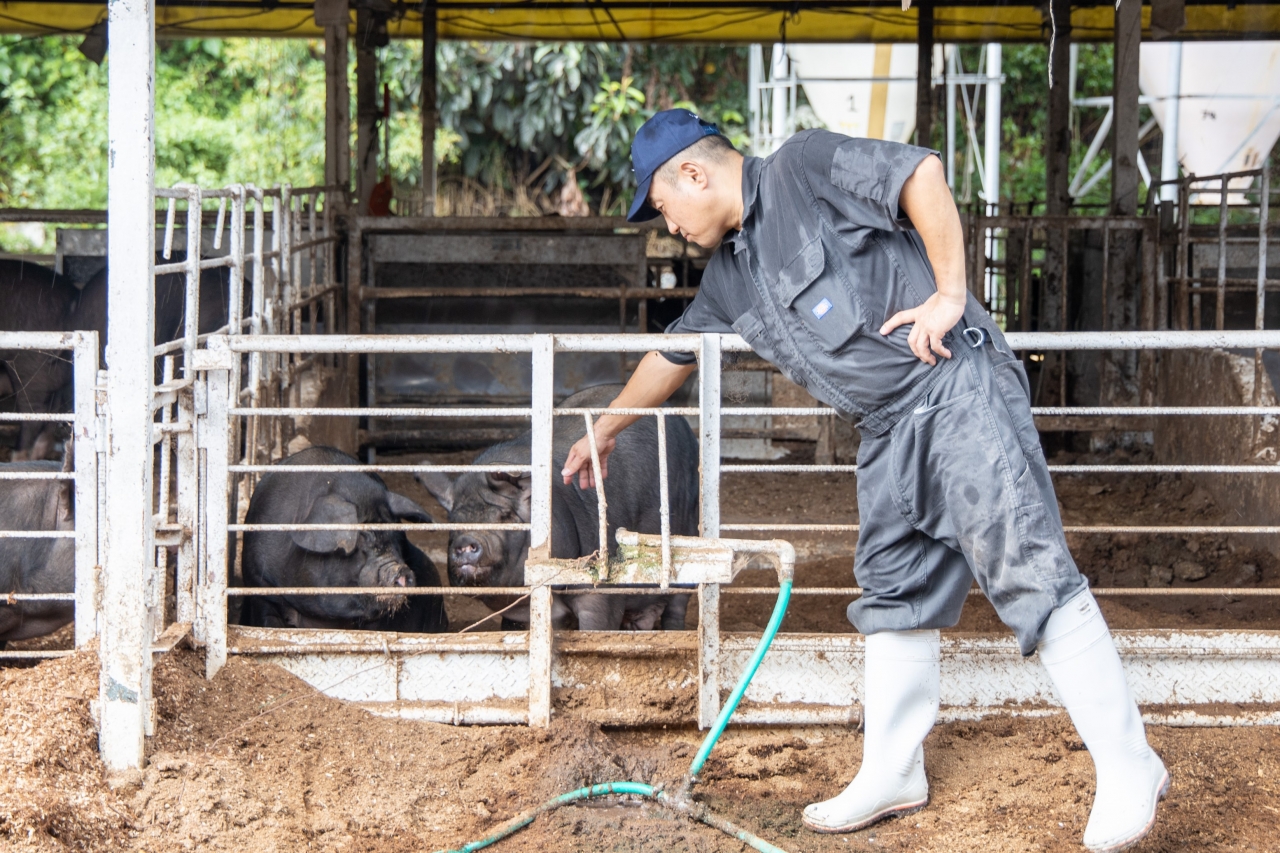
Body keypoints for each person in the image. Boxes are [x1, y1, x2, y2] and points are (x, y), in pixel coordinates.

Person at [559, 109, 1169, 852]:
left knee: (1025, 564)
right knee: (892, 585)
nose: (669, 225)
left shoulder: (805, 168)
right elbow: (674, 354)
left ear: (693, 172)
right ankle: (893, 769)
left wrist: (949, 293)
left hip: (951, 385)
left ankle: (1129, 761)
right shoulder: (726, 276)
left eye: (662, 207)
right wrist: (607, 429)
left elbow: (922, 175)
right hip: (885, 424)